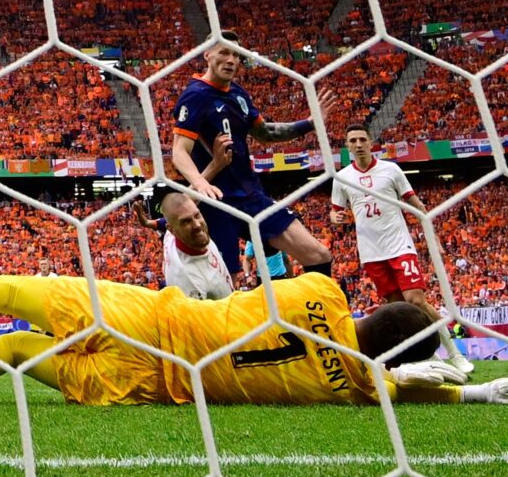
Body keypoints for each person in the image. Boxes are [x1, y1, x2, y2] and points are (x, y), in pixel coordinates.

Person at [0, 274, 508, 407]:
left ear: (375, 308)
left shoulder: (322, 293)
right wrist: (477, 390)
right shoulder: (363, 388)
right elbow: (402, 388)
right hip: (159, 382)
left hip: (153, 318)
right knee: (18, 350)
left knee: (10, 294)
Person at [171, 31, 335, 279]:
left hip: (251, 196)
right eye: (224, 52)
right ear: (207, 55)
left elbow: (265, 133)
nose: (231, 60)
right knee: (228, 283)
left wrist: (310, 123)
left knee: (318, 255)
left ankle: (321, 304)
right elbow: (179, 151)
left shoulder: (238, 94)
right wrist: (199, 182)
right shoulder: (196, 96)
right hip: (216, 202)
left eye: (236, 55)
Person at [330, 124, 474, 374]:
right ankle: (431, 358)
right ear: (347, 146)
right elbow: (335, 212)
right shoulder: (342, 178)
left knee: (416, 300)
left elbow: (417, 205)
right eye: (353, 140)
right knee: (399, 309)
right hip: (371, 251)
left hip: (399, 245)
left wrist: (433, 238)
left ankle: (455, 353)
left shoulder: (391, 170)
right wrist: (336, 218)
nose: (358, 144)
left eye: (362, 139)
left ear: (370, 142)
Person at [135, 192, 234, 301]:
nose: (197, 225)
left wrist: (146, 222)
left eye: (197, 215)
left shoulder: (172, 233)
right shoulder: (189, 282)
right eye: (186, 221)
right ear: (172, 229)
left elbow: (180, 204)